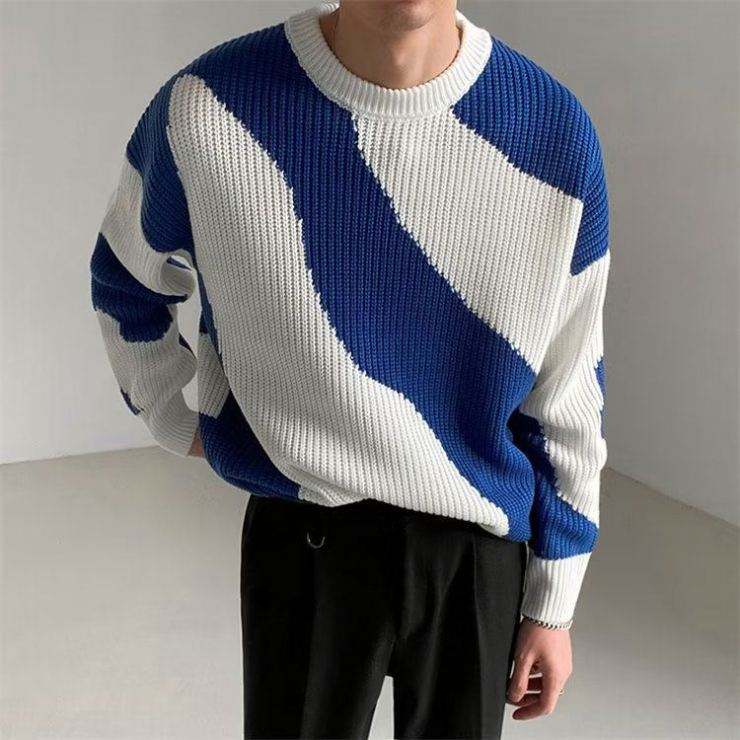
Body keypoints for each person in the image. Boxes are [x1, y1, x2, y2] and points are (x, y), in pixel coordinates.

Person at [89, 0, 610, 737]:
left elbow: (569, 386)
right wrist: (177, 418)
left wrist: (553, 602)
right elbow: (127, 279)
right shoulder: (208, 108)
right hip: (304, 531)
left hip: (476, 545)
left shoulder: (553, 132)